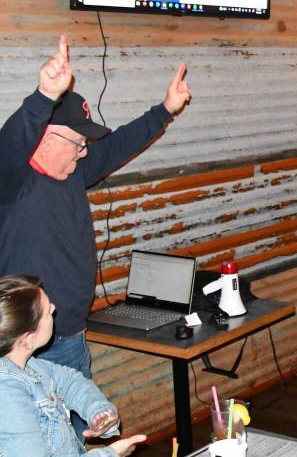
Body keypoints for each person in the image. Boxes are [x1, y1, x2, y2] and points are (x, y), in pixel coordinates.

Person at [0, 36, 190, 381]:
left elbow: (118, 144)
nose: (84, 151)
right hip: (21, 347)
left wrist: (164, 111)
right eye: (78, 142)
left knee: (77, 433)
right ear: (46, 137)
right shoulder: (11, 181)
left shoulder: (75, 172)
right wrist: (42, 98)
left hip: (70, 336)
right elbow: (11, 141)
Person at [0, 274, 147, 456]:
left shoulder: (27, 364)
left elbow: (70, 381)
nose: (54, 308)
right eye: (47, 312)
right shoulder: (7, 394)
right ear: (28, 340)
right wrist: (110, 453)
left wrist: (98, 411)